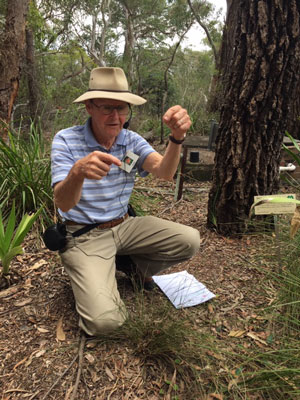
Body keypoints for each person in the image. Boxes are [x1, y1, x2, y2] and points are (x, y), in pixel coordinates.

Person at [51, 67, 200, 336]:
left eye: (122, 109)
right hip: (85, 234)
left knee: (190, 240)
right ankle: (95, 274)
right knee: (106, 322)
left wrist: (177, 138)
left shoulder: (130, 141)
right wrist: (78, 172)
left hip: (124, 226)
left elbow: (164, 173)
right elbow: (63, 203)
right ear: (89, 107)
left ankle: (132, 268)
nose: (116, 117)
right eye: (107, 108)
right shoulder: (66, 140)